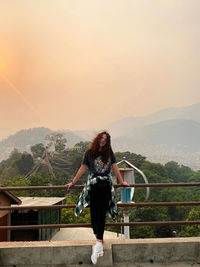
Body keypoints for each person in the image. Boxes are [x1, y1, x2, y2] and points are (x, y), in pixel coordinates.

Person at [66, 131, 130, 265]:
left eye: (105, 140)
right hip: (94, 186)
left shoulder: (109, 153)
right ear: (97, 139)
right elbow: (82, 168)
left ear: (107, 142)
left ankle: (99, 243)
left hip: (105, 186)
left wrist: (121, 181)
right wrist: (73, 182)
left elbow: (115, 168)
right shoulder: (89, 153)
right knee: (94, 214)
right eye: (101, 138)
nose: (103, 141)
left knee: (101, 213)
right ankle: (98, 241)